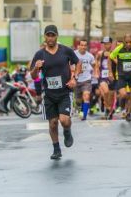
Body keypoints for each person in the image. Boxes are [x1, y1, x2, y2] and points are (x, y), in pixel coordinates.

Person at [31, 25, 81, 160]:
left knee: (64, 120)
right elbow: (33, 76)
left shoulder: (65, 50)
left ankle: (67, 131)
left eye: (53, 35)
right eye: (48, 35)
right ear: (45, 37)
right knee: (52, 123)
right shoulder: (39, 54)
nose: (50, 38)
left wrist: (74, 78)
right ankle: (56, 149)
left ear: (57, 36)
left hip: (65, 92)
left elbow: (78, 62)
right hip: (49, 94)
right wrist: (36, 68)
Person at [109, 34, 131, 122]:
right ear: (124, 41)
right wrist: (110, 71)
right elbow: (110, 58)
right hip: (122, 76)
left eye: (130, 42)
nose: (128, 44)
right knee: (124, 94)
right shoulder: (118, 49)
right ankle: (123, 108)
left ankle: (128, 113)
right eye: (127, 42)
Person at [74, 39, 96, 121]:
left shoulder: (90, 56)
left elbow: (94, 65)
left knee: (86, 96)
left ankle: (84, 115)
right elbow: (69, 64)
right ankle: (80, 108)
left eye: (85, 45)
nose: (83, 47)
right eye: (81, 45)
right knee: (78, 100)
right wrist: (75, 71)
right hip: (76, 80)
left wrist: (96, 72)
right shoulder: (74, 54)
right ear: (78, 46)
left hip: (86, 80)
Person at [95, 36, 116, 120]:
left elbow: (118, 63)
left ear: (111, 44)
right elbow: (96, 61)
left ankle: (109, 110)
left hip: (111, 77)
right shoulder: (100, 53)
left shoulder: (114, 53)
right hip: (103, 76)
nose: (105, 45)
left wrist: (111, 56)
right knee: (106, 92)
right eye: (104, 44)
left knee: (110, 96)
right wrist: (96, 71)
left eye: (107, 44)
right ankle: (107, 109)